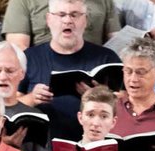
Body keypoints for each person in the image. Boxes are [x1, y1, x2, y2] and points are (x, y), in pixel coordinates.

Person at [20, 0, 120, 141]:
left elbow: (127, 104)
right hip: (42, 144)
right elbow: (10, 104)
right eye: (61, 15)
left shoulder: (107, 57)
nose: (68, 20)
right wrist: (32, 98)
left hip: (95, 142)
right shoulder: (29, 57)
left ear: (85, 20)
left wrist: (101, 97)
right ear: (49, 19)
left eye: (74, 15)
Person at [3, 0, 120, 50]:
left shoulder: (104, 1)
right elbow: (17, 48)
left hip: (93, 69)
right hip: (42, 70)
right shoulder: (22, 1)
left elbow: (117, 44)